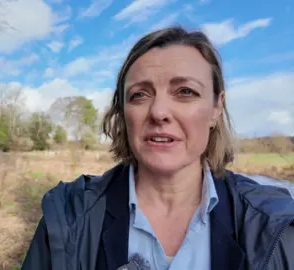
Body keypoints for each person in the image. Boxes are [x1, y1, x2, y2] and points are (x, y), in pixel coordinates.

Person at [21, 26, 294, 270]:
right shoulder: (67, 219)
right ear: (123, 112)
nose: (159, 112)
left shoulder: (273, 225)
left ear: (216, 107)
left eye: (185, 91)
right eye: (139, 94)